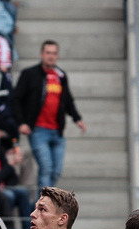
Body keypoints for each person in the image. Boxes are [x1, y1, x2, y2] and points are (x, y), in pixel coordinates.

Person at [11, 40, 85, 193]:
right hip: (38, 129)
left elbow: (68, 99)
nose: (51, 56)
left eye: (54, 53)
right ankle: (44, 207)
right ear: (41, 54)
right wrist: (21, 122)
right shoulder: (29, 74)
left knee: (56, 171)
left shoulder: (61, 75)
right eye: (48, 53)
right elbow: (16, 99)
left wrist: (77, 118)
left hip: (57, 131)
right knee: (46, 168)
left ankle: (43, 205)